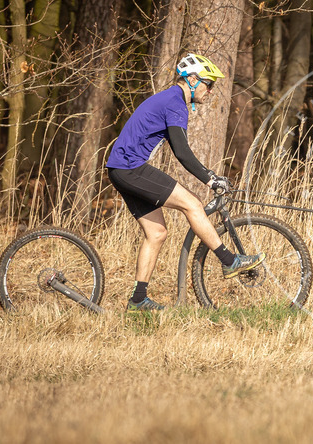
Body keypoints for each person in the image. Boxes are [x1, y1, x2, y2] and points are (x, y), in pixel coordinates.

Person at [105, 53, 264, 311]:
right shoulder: (175, 102)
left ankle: (137, 300)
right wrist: (210, 178)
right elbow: (182, 152)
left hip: (121, 169)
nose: (211, 90)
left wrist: (208, 175)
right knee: (193, 204)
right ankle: (229, 260)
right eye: (208, 83)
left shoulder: (170, 99)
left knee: (156, 233)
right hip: (130, 168)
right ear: (191, 79)